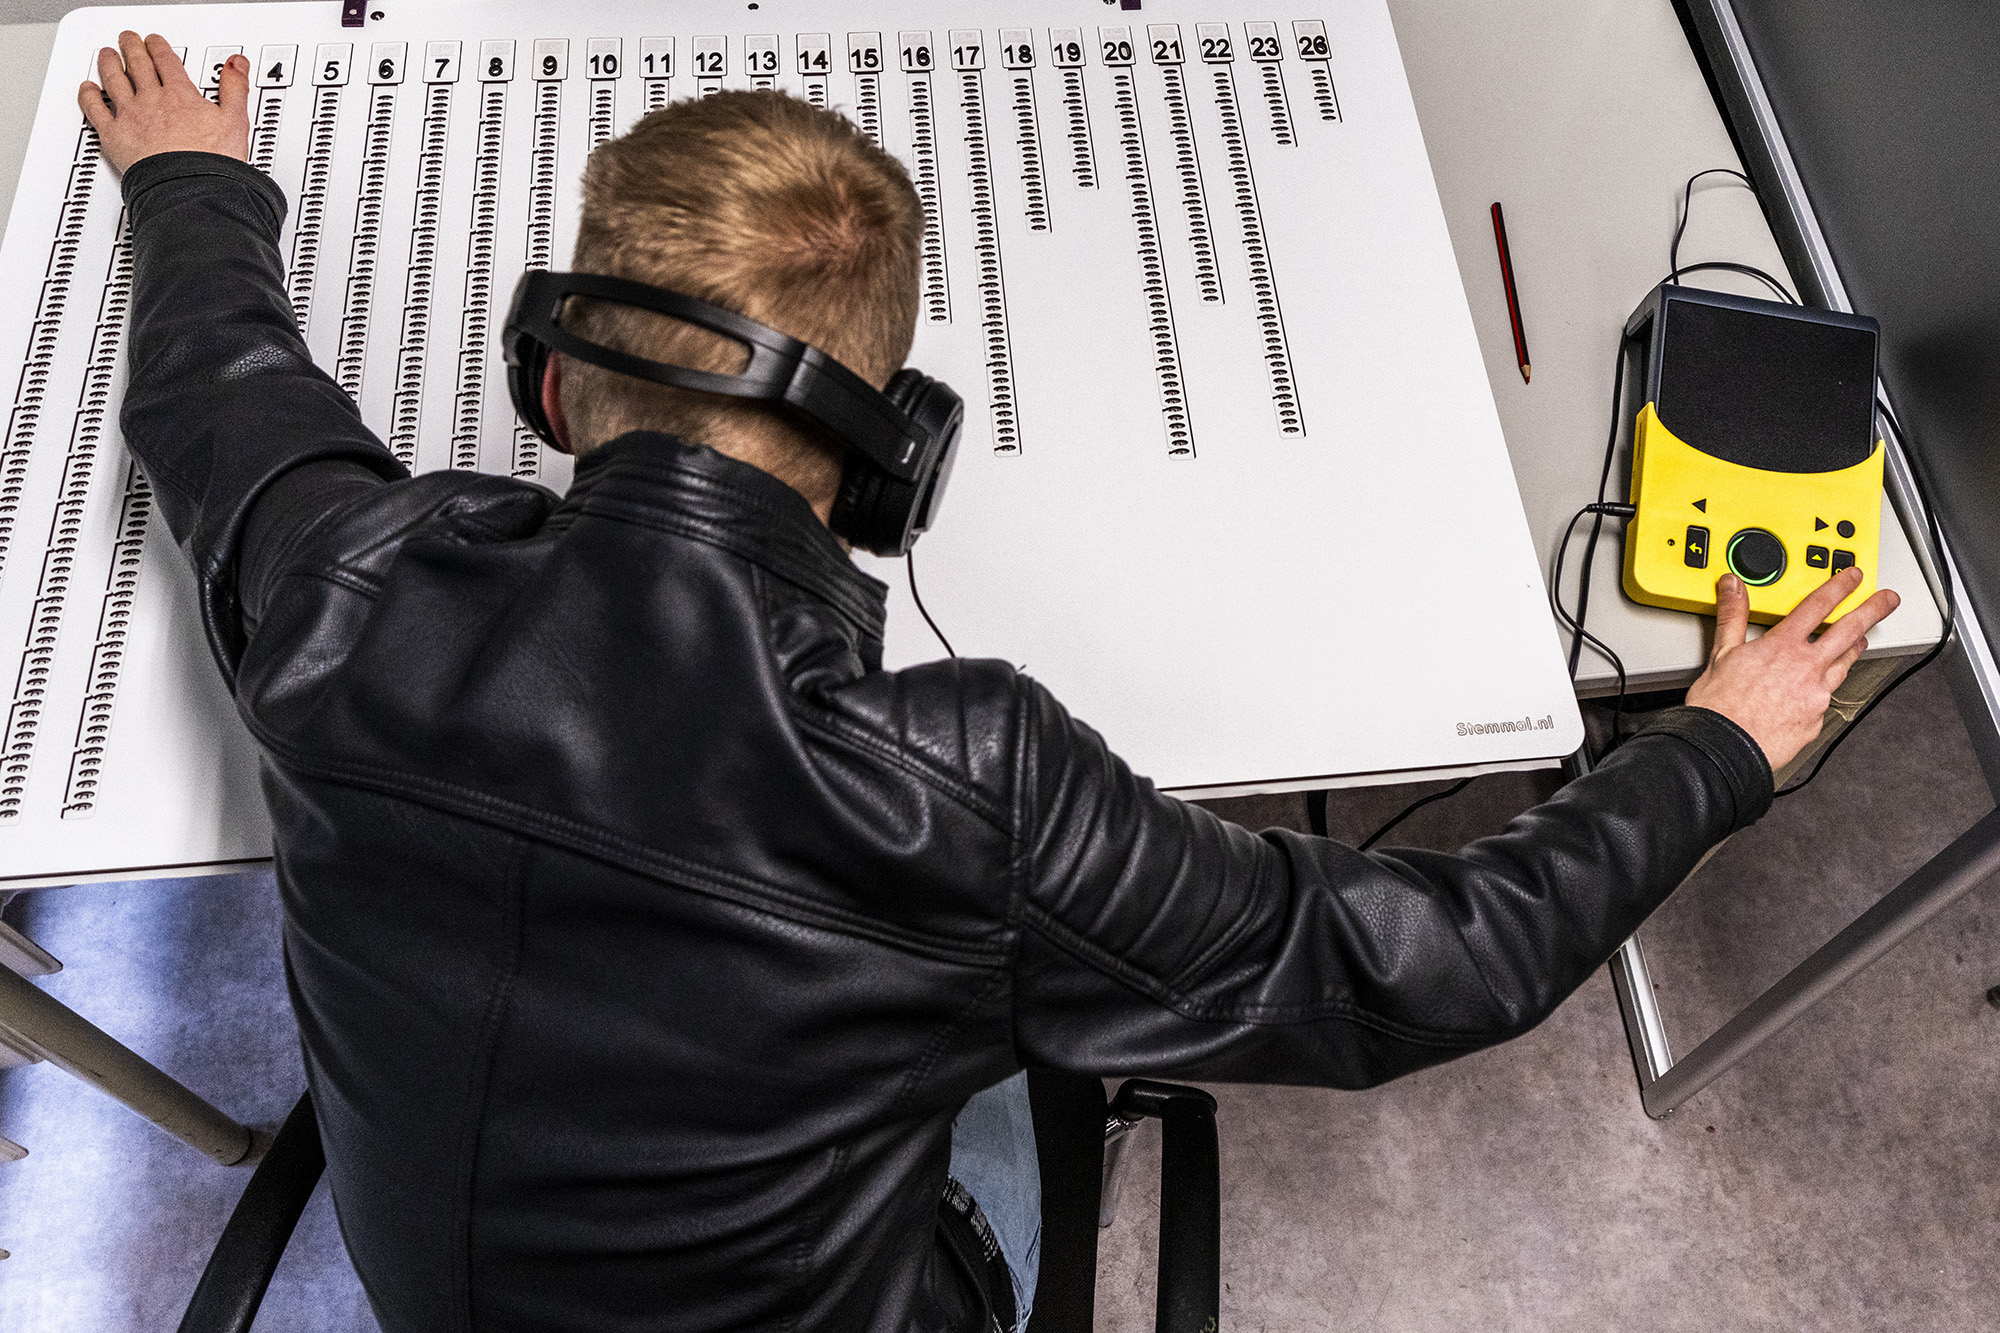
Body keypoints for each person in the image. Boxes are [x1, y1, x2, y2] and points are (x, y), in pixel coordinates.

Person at [81, 32, 1899, 1333]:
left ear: (552, 387)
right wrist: (1716, 749)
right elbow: (1432, 964)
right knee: (1034, 1023)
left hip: (430, 1280)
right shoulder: (965, 788)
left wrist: (186, 181)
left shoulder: (349, 585)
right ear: (896, 466)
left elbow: (218, 385)